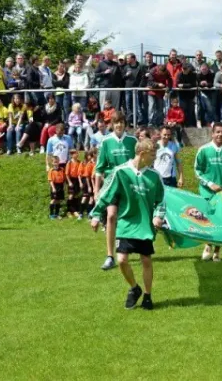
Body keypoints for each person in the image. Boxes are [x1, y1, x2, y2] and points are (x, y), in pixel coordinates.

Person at [90, 139, 165, 310]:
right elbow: (106, 194)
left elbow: (162, 200)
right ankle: (134, 288)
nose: (155, 158)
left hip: (145, 225)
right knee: (122, 260)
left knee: (146, 260)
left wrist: (158, 216)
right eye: (153, 154)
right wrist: (95, 214)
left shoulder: (154, 176)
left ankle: (147, 295)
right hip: (126, 224)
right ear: (142, 154)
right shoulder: (120, 172)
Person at [95, 112, 138, 270]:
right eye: (116, 122)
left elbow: (138, 164)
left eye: (121, 122)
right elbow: (99, 169)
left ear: (125, 124)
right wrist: (96, 190)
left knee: (128, 218)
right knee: (111, 216)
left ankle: (128, 249)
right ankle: (109, 256)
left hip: (129, 187)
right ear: (111, 124)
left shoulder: (132, 141)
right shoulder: (106, 142)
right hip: (111, 186)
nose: (119, 125)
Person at [194, 122, 222, 261]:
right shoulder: (203, 150)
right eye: (217, 132)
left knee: (221, 222)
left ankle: (217, 252)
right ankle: (208, 245)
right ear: (212, 133)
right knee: (208, 220)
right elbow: (197, 170)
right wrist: (209, 183)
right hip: (206, 193)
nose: (220, 134)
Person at [78, 150, 95, 219]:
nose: (89, 157)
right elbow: (80, 174)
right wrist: (81, 182)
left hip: (93, 180)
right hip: (86, 180)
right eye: (88, 155)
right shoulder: (83, 163)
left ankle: (89, 213)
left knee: (91, 198)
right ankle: (81, 213)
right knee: (85, 197)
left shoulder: (94, 163)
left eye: (90, 156)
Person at [65, 149, 81, 218]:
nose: (77, 154)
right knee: (70, 195)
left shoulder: (79, 162)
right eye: (76, 153)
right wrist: (69, 182)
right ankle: (69, 211)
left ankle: (75, 210)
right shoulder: (69, 163)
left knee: (76, 195)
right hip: (71, 180)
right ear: (72, 155)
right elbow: (67, 174)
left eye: (77, 153)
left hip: (77, 179)